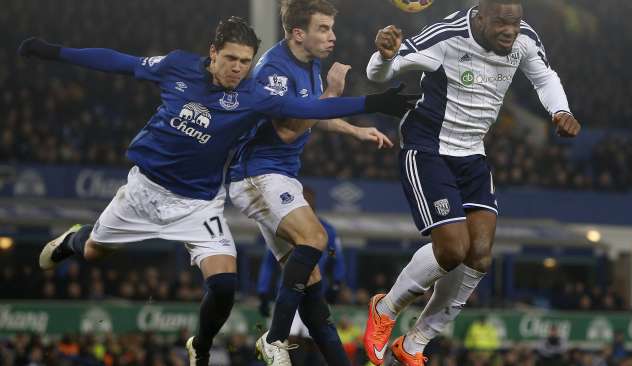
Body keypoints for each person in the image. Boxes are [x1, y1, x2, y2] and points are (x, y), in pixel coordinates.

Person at [18, 17, 413, 366]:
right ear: (213, 53)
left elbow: (310, 110)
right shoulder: (177, 68)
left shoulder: (254, 95)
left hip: (199, 204)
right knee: (93, 252)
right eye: (231, 59)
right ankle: (73, 239)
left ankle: (201, 346)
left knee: (224, 284)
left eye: (245, 61)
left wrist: (374, 102)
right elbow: (119, 62)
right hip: (143, 192)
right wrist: (53, 52)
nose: (238, 69)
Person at [362, 0, 581, 365]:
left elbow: (544, 76)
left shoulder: (523, 39)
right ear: (479, 18)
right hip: (428, 147)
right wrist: (384, 56)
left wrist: (561, 110)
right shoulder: (447, 36)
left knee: (478, 255)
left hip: (472, 154)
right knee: (451, 250)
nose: (510, 31)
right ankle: (385, 309)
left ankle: (414, 343)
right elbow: (382, 73)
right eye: (501, 24)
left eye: (516, 23)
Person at [227, 1, 393, 365]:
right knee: (316, 239)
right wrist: (332, 95)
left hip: (280, 175)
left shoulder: (309, 62)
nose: (332, 37)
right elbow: (288, 131)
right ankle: (274, 339)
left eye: (332, 28)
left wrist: (355, 130)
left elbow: (313, 114)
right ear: (298, 34)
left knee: (313, 288)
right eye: (323, 29)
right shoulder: (274, 69)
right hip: (256, 173)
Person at [257, 186, 346, 366]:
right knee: (289, 339)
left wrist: (336, 284)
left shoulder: (327, 230)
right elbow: (269, 262)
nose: (307, 201)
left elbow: (336, 258)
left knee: (314, 340)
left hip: (314, 289)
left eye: (310, 198)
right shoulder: (282, 227)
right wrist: (263, 292)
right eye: (303, 198)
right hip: (288, 290)